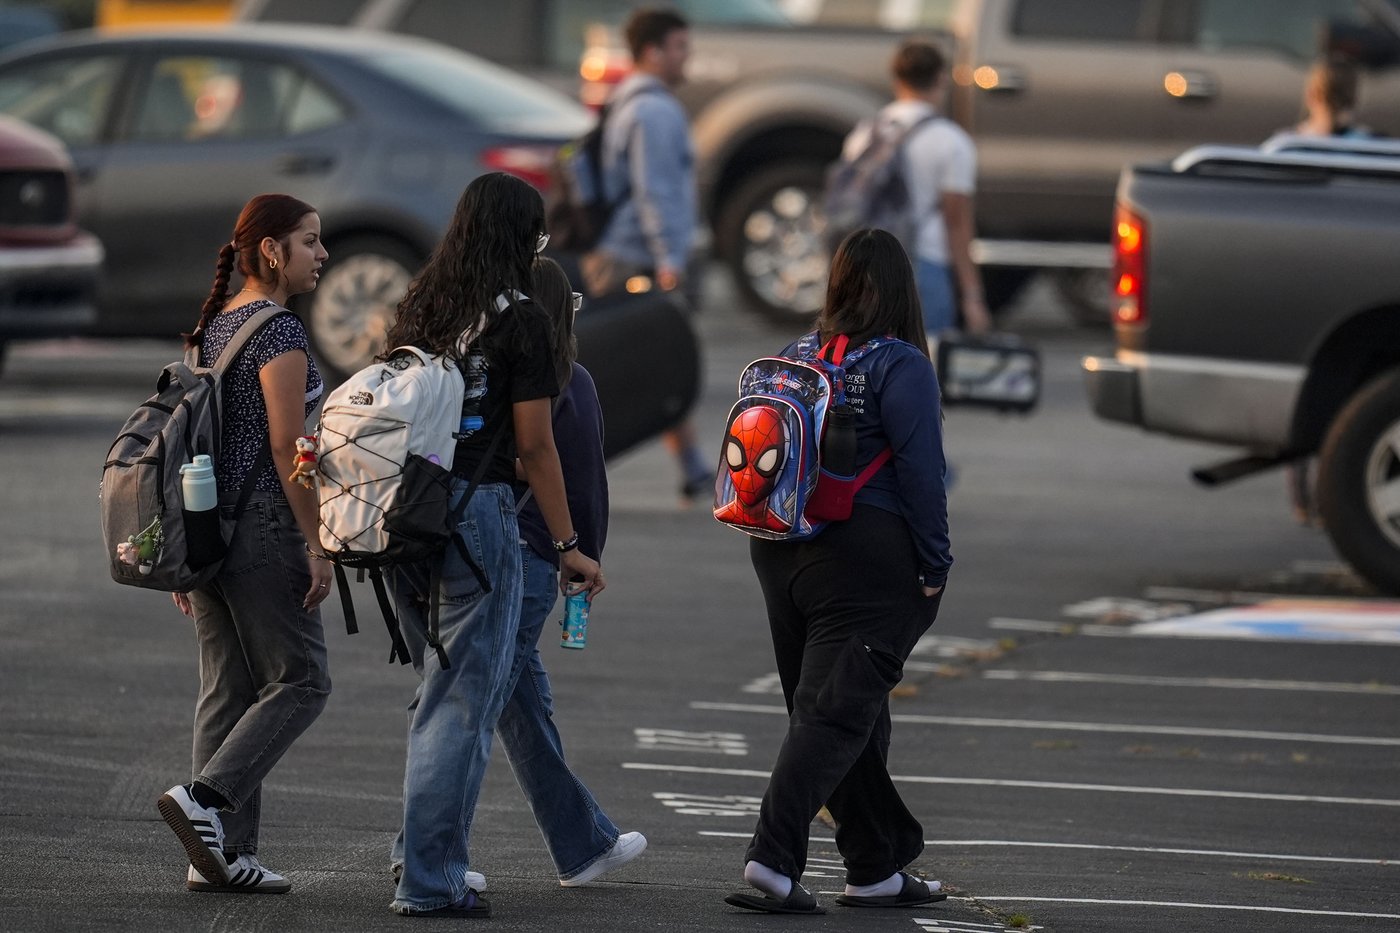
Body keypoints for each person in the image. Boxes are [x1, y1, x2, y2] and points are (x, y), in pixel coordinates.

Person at [380, 173, 603, 919]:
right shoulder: (522, 320)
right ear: (521, 238)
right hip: (478, 515)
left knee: (436, 692)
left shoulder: (423, 304)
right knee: (463, 701)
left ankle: (418, 859)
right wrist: (569, 541)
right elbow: (537, 447)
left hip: (402, 513)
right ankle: (431, 876)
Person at [725, 228, 952, 915]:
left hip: (779, 545)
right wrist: (936, 561)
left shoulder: (796, 355)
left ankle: (874, 864)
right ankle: (772, 856)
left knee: (843, 709)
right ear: (902, 290)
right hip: (867, 558)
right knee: (831, 715)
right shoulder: (901, 363)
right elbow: (921, 474)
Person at [157, 193, 333, 895]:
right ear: (272, 251)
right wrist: (318, 541)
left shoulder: (212, 327)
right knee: (303, 679)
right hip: (261, 523)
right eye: (311, 241)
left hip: (205, 525)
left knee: (227, 691)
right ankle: (207, 799)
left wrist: (184, 544)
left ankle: (220, 858)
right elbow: (290, 445)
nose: (323, 254)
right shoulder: (279, 331)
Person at [487, 256, 647, 886]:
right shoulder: (568, 380)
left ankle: (582, 846)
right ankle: (419, 851)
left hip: (479, 545)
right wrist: (582, 552)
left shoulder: (489, 376)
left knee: (520, 705)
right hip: (529, 554)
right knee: (470, 706)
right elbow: (583, 476)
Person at [581, 6, 710, 502]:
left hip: (616, 252)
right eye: (680, 48)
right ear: (654, 51)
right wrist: (670, 259)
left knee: (656, 360)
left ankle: (694, 466)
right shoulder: (655, 111)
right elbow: (657, 191)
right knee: (651, 360)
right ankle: (582, 462)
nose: (687, 58)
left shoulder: (623, 101)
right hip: (638, 256)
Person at [1270, 57, 1369, 524]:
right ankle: (1336, 493)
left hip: (1295, 281)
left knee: (1301, 398)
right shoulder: (1370, 150)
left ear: (1310, 94)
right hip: (1354, 284)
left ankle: (1301, 496)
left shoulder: (1286, 147)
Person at [843, 39, 990, 338]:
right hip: (926, 264)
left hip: (870, 266)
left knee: (869, 362)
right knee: (924, 363)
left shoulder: (864, 135)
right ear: (940, 78)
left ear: (896, 79)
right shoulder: (951, 141)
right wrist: (972, 295)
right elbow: (956, 222)